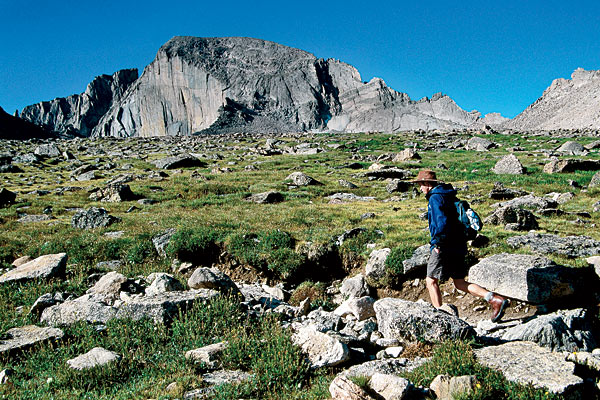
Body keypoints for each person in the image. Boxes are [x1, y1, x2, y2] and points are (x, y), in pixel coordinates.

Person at [413, 169, 508, 322]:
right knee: (459, 282)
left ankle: (440, 318)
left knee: (431, 281)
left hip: (443, 246)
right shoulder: (448, 194)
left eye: (420, 185)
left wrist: (437, 243)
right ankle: (494, 299)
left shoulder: (435, 198)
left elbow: (441, 223)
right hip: (458, 245)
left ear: (427, 184)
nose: (420, 188)